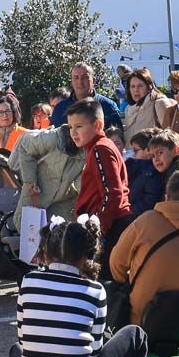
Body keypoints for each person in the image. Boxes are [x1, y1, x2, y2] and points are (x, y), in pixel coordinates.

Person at [16, 217, 153, 357]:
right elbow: (96, 349)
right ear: (85, 257)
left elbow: (22, 339)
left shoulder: (28, 282)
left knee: (16, 350)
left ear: (46, 253)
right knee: (135, 335)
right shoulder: (94, 290)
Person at [109, 168, 179, 328]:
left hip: (141, 318)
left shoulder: (146, 221)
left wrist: (128, 282)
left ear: (166, 198)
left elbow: (116, 262)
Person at [67, 98, 132, 278]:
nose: (73, 133)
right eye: (71, 127)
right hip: (110, 225)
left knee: (104, 284)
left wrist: (98, 230)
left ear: (97, 125)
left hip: (111, 227)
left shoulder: (100, 149)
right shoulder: (96, 148)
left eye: (79, 126)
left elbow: (113, 193)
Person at [12, 124, 85, 224]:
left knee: (62, 234)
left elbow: (81, 181)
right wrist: (30, 181)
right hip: (36, 193)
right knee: (28, 229)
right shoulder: (50, 138)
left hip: (63, 201)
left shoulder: (86, 149)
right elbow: (25, 147)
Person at [51, 63, 123, 130]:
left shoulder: (108, 106)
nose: (80, 82)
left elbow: (117, 137)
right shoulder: (60, 109)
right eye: (76, 77)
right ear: (71, 82)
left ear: (94, 81)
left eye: (85, 77)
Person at [122, 68, 173, 138]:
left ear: (149, 86)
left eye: (140, 86)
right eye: (132, 86)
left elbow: (170, 135)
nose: (136, 90)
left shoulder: (159, 103)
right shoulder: (129, 108)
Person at [127, 127, 165, 216]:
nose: (133, 155)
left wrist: (127, 212)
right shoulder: (136, 167)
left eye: (136, 151)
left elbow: (149, 202)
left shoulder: (153, 173)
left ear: (148, 150)